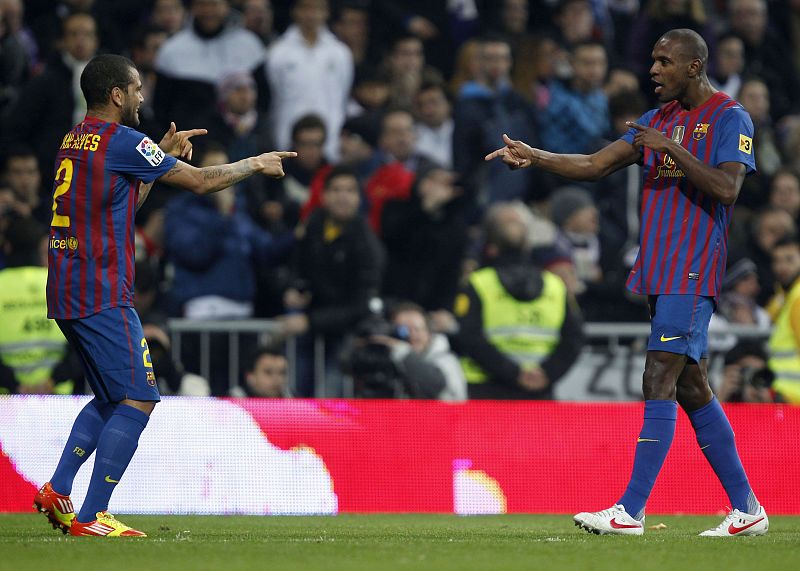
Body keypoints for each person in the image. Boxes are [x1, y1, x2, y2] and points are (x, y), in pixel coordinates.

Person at [486, 29, 768, 537]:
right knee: (689, 383)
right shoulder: (654, 121)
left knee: (658, 374)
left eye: (664, 62)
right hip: (661, 269)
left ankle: (629, 512)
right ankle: (747, 508)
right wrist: (537, 155)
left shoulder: (731, 118)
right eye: (653, 61)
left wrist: (670, 149)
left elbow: (727, 189)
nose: (653, 70)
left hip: (693, 267)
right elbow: (595, 165)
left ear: (694, 67)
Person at [34, 53, 294, 538]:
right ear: (116, 94)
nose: (141, 96)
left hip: (70, 285)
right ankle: (92, 515)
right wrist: (256, 163)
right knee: (139, 397)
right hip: (102, 289)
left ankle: (58, 488)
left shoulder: (74, 139)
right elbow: (198, 181)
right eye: (135, 89)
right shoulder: (123, 141)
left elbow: (122, 201)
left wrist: (152, 160)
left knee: (113, 395)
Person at [453, 202, 584, 400]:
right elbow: (573, 340)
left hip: (486, 391)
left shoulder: (478, 283)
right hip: (538, 391)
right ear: (527, 246)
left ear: (491, 249)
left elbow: (470, 337)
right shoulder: (555, 286)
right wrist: (546, 373)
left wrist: (514, 373)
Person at [767, 235, 800, 404]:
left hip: (794, 398)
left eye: (789, 259)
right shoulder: (782, 297)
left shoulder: (797, 297)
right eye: (777, 261)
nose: (782, 267)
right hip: (785, 395)